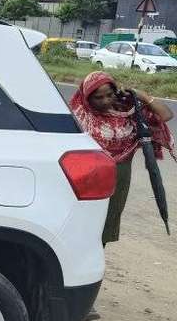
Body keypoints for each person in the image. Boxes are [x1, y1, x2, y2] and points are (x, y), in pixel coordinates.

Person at [68, 71, 175, 245]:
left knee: (106, 223)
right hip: (86, 177)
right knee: (82, 224)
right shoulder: (79, 115)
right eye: (98, 97)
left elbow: (166, 115)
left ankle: (96, 260)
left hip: (119, 176)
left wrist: (142, 96)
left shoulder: (128, 110)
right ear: (87, 97)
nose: (105, 101)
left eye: (109, 95)